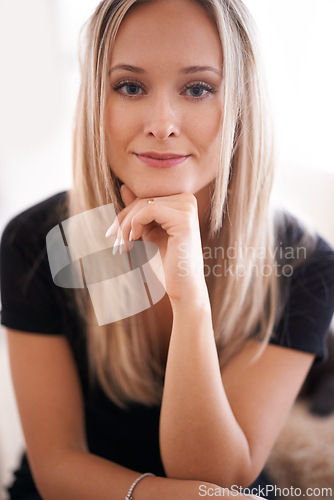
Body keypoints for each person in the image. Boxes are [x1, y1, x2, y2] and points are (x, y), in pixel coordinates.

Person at [1, 0, 334, 499]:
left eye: (198, 88)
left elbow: (221, 473)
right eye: (130, 86)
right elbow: (57, 467)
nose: (162, 122)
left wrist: (189, 299)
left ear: (242, 105)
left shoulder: (305, 264)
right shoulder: (38, 243)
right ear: (96, 101)